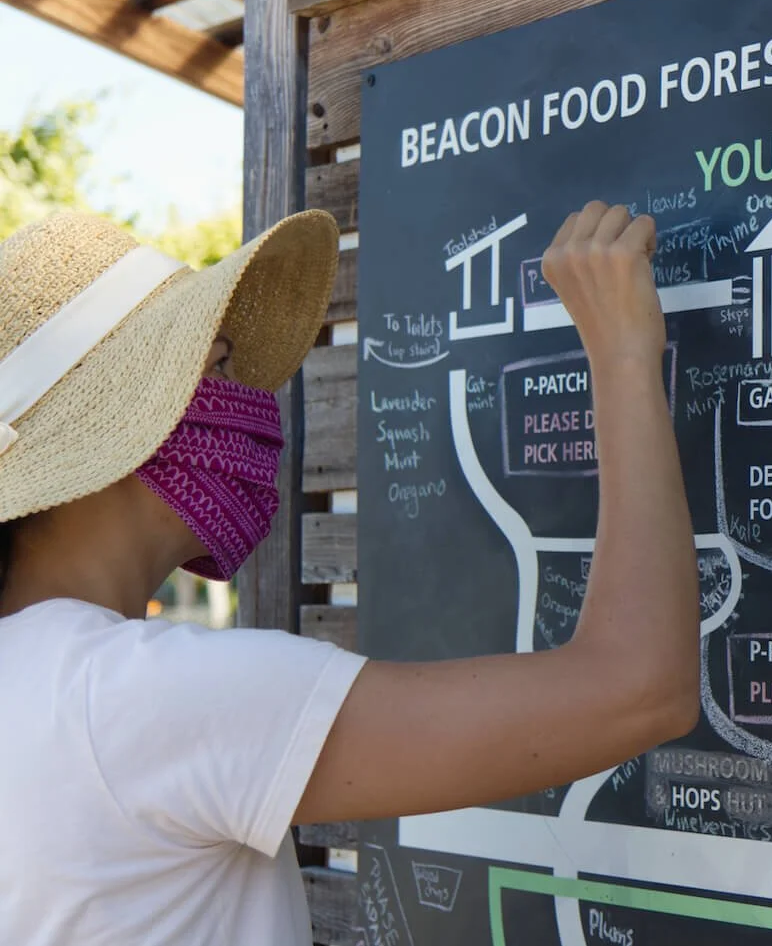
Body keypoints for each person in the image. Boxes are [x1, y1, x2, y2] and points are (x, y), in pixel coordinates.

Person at [0, 201, 700, 945]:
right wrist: (623, 352)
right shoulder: (140, 697)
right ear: (114, 427)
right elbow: (639, 688)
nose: (245, 401)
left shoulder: (40, 681)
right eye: (217, 367)